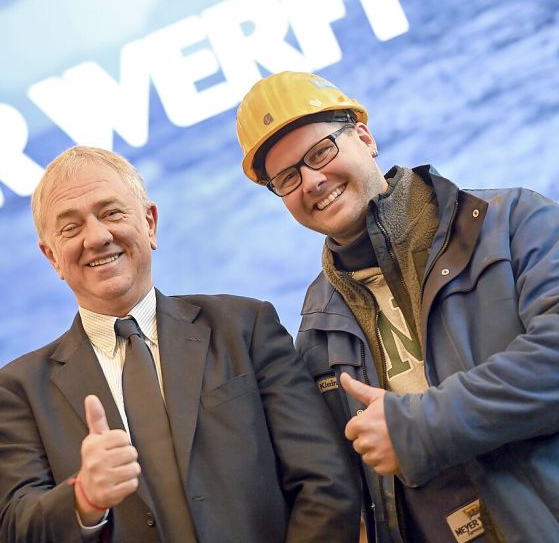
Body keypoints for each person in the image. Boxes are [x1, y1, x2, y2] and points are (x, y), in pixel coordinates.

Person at [235, 70, 559, 543]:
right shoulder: (316, 327)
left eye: (320, 152)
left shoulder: (511, 223)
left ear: (364, 138)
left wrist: (418, 427)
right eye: (287, 177)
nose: (312, 181)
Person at [0, 146, 360, 542]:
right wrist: (83, 500)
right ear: (52, 258)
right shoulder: (18, 391)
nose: (96, 237)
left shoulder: (245, 327)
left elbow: (326, 482)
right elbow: (19, 530)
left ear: (150, 223)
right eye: (71, 228)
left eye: (111, 213)